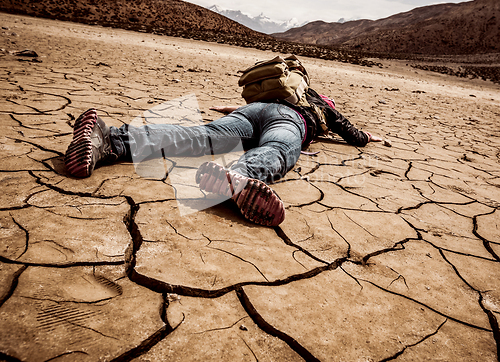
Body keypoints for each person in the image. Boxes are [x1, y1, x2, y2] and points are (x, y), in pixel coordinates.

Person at [64, 86, 382, 227]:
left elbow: (257, 108)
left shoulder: (281, 92)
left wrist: (232, 111)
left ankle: (108, 139)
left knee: (201, 136)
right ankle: (240, 176)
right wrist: (367, 136)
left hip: (250, 112)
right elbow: (351, 133)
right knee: (281, 148)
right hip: (287, 123)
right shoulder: (321, 105)